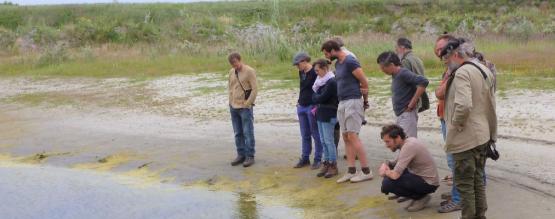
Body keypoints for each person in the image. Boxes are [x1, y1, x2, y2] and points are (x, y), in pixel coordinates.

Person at [441, 39, 497, 219]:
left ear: (455, 55)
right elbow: (490, 103)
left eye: (446, 60)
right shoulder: (483, 69)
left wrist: (456, 125)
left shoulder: (463, 72)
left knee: (465, 185)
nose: (446, 64)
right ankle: (481, 216)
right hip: (483, 134)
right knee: (478, 181)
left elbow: (464, 105)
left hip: (466, 138)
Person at [321, 40, 373, 183]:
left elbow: (364, 82)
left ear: (332, 50)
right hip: (342, 101)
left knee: (353, 136)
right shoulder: (338, 64)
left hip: (353, 101)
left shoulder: (351, 61)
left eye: (327, 53)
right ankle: (351, 170)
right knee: (345, 136)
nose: (326, 57)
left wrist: (365, 101)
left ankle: (366, 171)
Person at [379, 124, 439, 212]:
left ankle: (420, 197)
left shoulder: (409, 146)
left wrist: (385, 172)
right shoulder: (407, 142)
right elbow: (394, 163)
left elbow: (395, 175)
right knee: (389, 177)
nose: (386, 145)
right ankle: (414, 195)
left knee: (387, 183)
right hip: (422, 178)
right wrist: (385, 164)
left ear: (398, 138)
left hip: (428, 183)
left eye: (388, 141)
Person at [434, 34, 462, 213]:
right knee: (457, 161)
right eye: (437, 50)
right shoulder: (451, 69)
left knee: (456, 161)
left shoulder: (457, 69)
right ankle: (459, 194)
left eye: (442, 49)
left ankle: (459, 198)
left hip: (453, 120)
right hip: (448, 117)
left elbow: (440, 93)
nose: (439, 53)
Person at [377, 51, 429, 138]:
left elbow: (424, 82)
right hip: (401, 115)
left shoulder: (403, 73)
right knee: (402, 143)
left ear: (391, 64)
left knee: (408, 143)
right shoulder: (395, 75)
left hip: (407, 115)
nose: (382, 70)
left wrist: (412, 103)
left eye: (383, 67)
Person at [292, 52, 323, 170]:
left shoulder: (315, 72)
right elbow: (302, 88)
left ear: (304, 61)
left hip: (312, 106)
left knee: (315, 134)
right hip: (301, 106)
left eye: (298, 64)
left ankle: (318, 159)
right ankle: (305, 158)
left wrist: (316, 106)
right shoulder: (301, 71)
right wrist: (299, 101)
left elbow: (319, 89)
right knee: (304, 134)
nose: (297, 66)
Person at [227, 52, 258, 168]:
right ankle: (241, 154)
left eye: (235, 62)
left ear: (240, 60)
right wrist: (230, 102)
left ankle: (250, 156)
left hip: (245, 107)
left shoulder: (249, 71)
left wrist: (248, 103)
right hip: (233, 107)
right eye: (232, 64)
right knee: (238, 132)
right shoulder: (231, 72)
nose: (234, 65)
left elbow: (255, 89)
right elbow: (230, 87)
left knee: (247, 132)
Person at [311, 58, 339, 178]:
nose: (316, 73)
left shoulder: (331, 81)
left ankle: (333, 165)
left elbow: (321, 97)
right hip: (321, 113)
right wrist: (317, 97)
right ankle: (326, 162)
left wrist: (317, 97)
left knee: (329, 141)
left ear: (324, 68)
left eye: (317, 70)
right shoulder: (320, 81)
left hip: (330, 113)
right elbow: (315, 97)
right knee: (323, 140)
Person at [396, 37, 429, 113]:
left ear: (402, 48)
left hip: (409, 102)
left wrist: (409, 105)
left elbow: (405, 84)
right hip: (416, 100)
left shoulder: (405, 61)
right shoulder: (417, 59)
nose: (396, 51)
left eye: (396, 49)